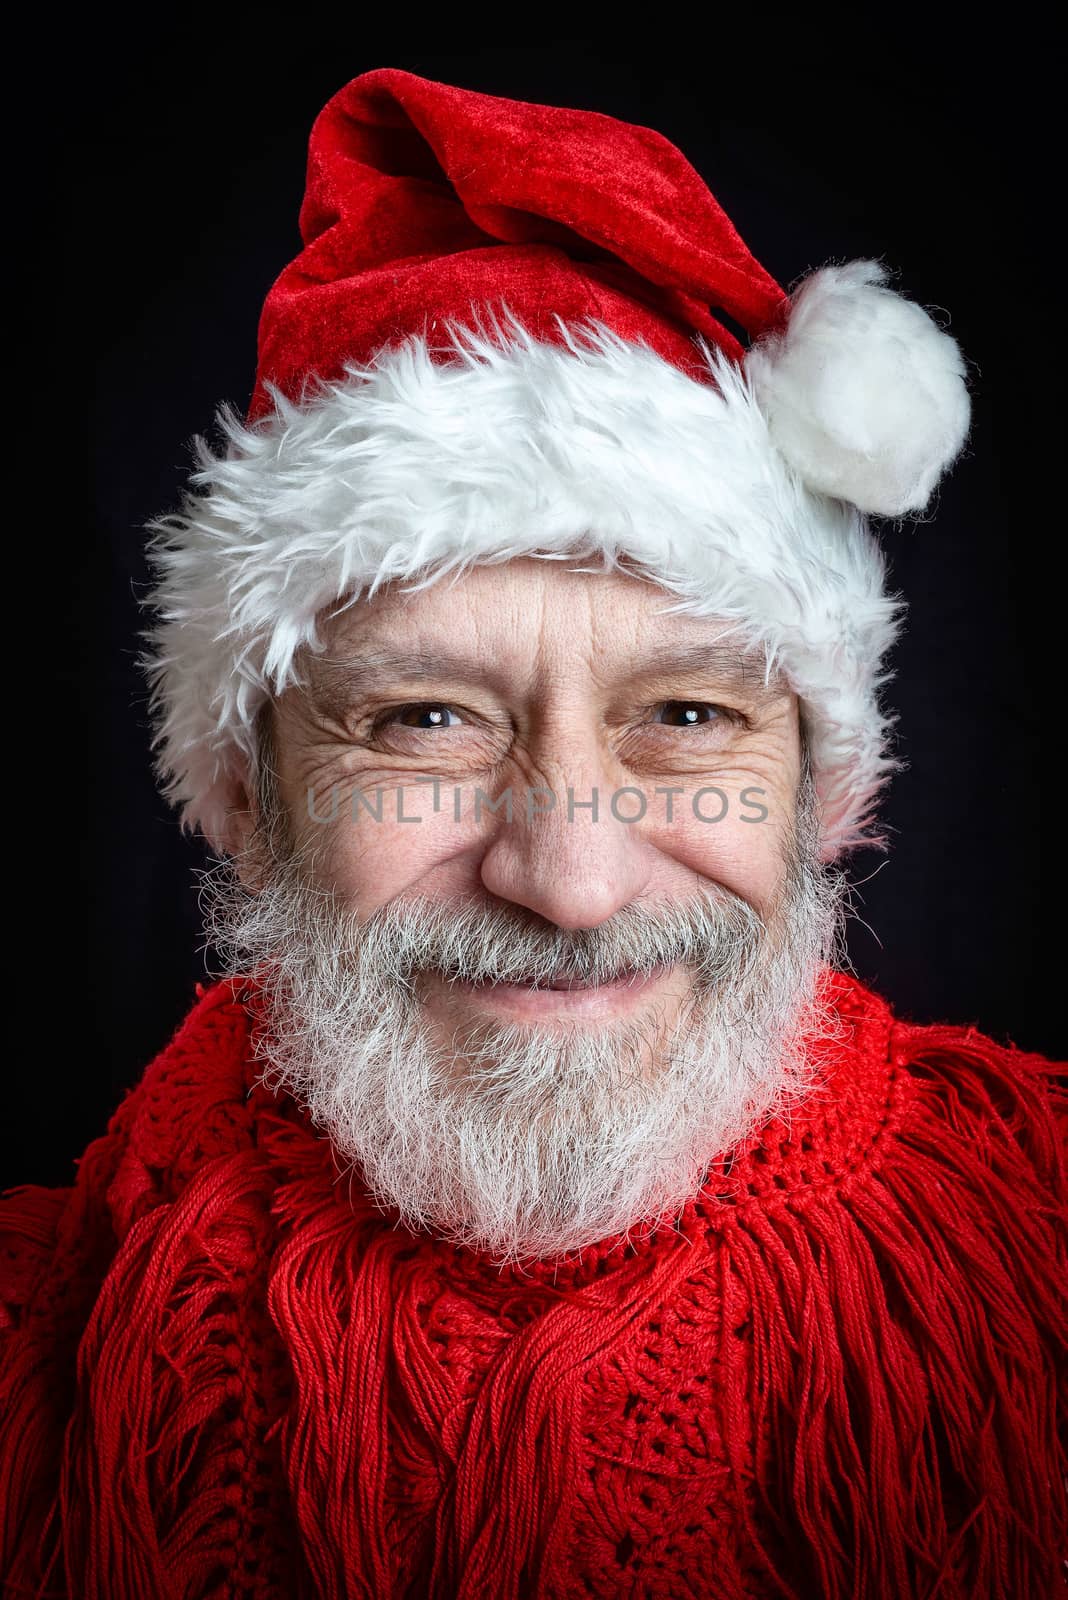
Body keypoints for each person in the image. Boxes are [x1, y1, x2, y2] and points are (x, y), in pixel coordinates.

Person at [2, 66, 1064, 1600]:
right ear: (251, 797)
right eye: (425, 720)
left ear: (824, 795)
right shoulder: (51, 1341)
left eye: (687, 717)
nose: (568, 882)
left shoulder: (1036, 1248)